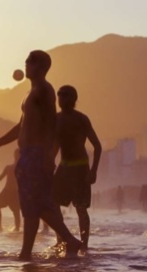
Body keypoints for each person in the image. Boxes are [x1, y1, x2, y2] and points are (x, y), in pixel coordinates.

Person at [0, 50, 85, 260]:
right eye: (27, 61)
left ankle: (27, 253)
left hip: (37, 155)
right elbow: (21, 126)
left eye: (30, 62)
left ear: (41, 66)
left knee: (33, 205)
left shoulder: (45, 90)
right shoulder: (31, 93)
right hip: (28, 154)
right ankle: (66, 241)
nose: (26, 64)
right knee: (37, 205)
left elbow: (51, 123)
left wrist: (48, 154)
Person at [51, 85, 104, 250]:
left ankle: (84, 245)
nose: (61, 98)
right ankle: (61, 241)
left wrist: (93, 171)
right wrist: (49, 164)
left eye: (65, 95)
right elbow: (55, 145)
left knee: (81, 209)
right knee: (53, 205)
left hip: (80, 168)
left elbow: (97, 146)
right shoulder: (56, 119)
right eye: (59, 95)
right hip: (64, 167)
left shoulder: (81, 119)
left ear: (73, 99)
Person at [0, 163, 21, 232]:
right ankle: (2, 227)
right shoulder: (10, 167)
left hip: (11, 191)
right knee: (15, 211)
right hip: (11, 191)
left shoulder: (11, 167)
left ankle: (4, 227)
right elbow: (0, 177)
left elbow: (0, 177)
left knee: (15, 210)